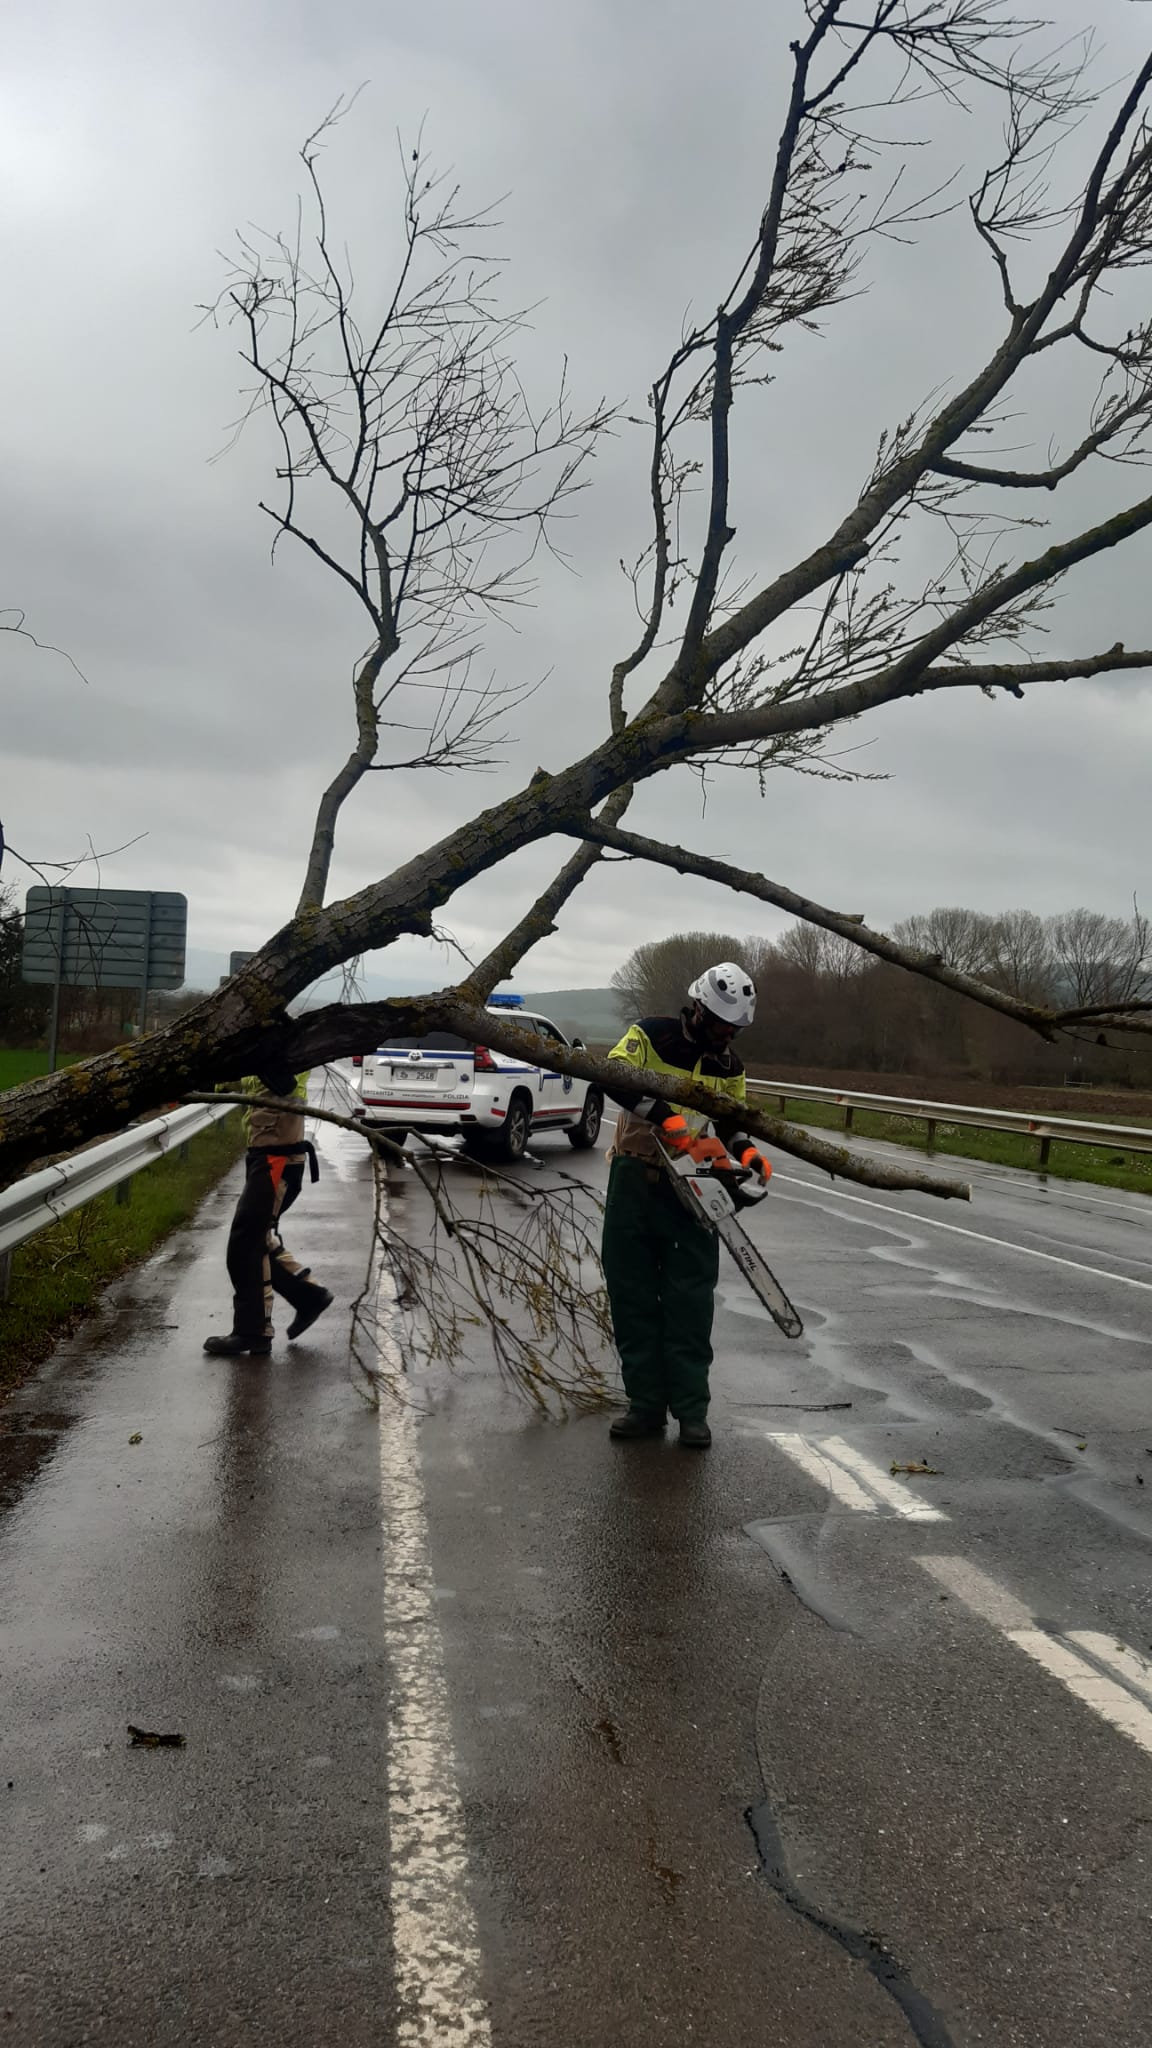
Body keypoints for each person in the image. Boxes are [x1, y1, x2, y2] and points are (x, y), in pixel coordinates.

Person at [601, 963, 771, 1448]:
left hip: (696, 1187)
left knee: (690, 1301)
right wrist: (664, 1117)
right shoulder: (651, 1037)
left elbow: (731, 1122)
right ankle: (645, 1405)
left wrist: (748, 1155)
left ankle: (692, 1410)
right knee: (632, 1293)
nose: (725, 1036)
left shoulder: (730, 1068)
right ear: (699, 1009)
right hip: (636, 1173)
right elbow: (613, 1075)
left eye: (734, 1030)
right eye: (720, 1026)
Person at [203, 1063, 333, 1358]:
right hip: (265, 1154)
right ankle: (308, 1296)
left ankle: (253, 1331)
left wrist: (261, 1057)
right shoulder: (265, 1045)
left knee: (245, 1243)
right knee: (255, 1239)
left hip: (279, 1156)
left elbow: (283, 1083)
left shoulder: (283, 1046)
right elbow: (246, 1083)